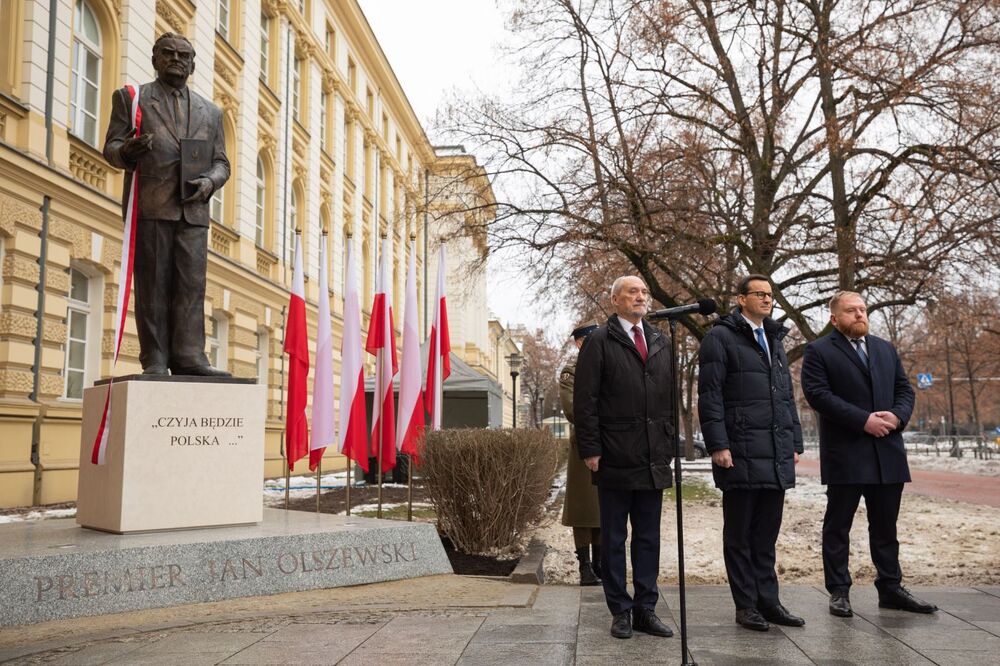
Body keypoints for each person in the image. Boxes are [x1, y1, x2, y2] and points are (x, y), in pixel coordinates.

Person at [801, 291, 937, 617]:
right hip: (846, 453)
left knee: (886, 528)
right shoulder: (819, 350)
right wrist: (864, 421)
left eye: (862, 309)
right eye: (851, 310)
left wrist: (897, 416)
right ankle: (839, 590)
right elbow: (818, 395)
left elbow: (904, 390)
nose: (860, 314)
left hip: (887, 452)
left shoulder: (884, 348)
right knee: (838, 527)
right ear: (835, 318)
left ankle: (891, 588)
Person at [103, 33, 231, 377]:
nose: (176, 59)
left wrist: (210, 182)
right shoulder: (133, 99)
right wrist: (126, 151)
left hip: (194, 210)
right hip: (152, 206)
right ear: (155, 59)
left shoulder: (211, 112)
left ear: (192, 65)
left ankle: (190, 355)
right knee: (153, 285)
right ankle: (155, 358)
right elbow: (111, 148)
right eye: (168, 53)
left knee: (191, 286)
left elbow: (222, 163)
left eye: (183, 55)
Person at [698, 274, 805, 632]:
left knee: (766, 536)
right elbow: (710, 395)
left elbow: (785, 396)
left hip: (774, 452)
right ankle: (746, 605)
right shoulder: (720, 337)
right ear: (741, 299)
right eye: (759, 294)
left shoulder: (774, 337)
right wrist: (718, 444)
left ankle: (769, 602)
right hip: (740, 449)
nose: (767, 299)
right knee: (740, 535)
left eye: (770, 295)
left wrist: (794, 442)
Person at [574, 275, 674, 640]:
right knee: (614, 539)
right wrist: (591, 448)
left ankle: (646, 608)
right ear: (615, 299)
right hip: (615, 454)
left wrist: (668, 443)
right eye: (633, 291)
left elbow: (668, 398)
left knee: (648, 538)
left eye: (644, 292)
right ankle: (620, 609)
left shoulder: (661, 340)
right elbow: (585, 400)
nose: (641, 296)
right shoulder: (600, 340)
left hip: (652, 456)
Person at [560, 320, 601, 586]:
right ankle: (585, 567)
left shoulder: (607, 368)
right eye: (591, 339)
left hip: (611, 444)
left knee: (605, 507)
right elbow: (573, 410)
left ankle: (600, 564)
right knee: (584, 508)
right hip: (584, 446)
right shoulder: (571, 372)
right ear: (579, 343)